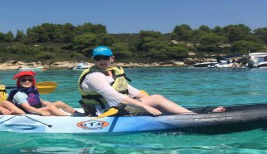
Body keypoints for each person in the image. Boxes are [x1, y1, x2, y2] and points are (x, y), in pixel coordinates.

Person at [78, 46, 225, 116]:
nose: (102, 61)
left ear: (112, 58)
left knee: (155, 100)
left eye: (105, 58)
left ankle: (194, 113)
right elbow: (115, 98)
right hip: (105, 112)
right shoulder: (94, 76)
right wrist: (149, 106)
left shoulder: (113, 73)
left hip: (118, 107)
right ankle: (195, 117)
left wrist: (149, 101)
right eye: (98, 58)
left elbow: (131, 91)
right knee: (157, 99)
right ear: (93, 60)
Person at [7, 71, 83, 116]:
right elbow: (28, 108)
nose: (27, 81)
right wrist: (42, 111)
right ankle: (67, 118)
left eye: (30, 80)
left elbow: (42, 102)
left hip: (36, 109)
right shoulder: (19, 94)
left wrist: (53, 104)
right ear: (19, 82)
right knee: (51, 107)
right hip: (28, 112)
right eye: (23, 80)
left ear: (32, 81)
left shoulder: (33, 90)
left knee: (59, 103)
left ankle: (77, 114)